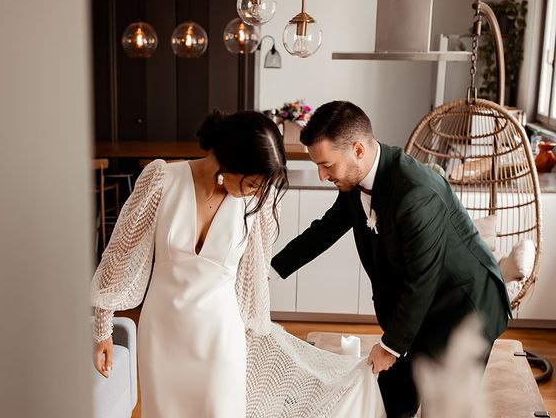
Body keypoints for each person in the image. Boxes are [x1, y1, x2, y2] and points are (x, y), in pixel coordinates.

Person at [91, 110, 386, 417]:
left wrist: (254, 337)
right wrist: (103, 331)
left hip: (221, 338)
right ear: (227, 166)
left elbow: (253, 273)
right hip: (161, 336)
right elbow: (119, 256)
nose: (257, 193)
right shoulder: (162, 178)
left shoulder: (261, 200)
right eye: (252, 184)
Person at [270, 101, 511, 418]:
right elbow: (325, 230)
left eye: (327, 165)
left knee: (444, 410)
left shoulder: (415, 194)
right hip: (417, 307)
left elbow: (421, 280)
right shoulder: (356, 180)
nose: (322, 175)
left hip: (462, 308)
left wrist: (391, 346)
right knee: (392, 399)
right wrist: (270, 270)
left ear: (358, 150)